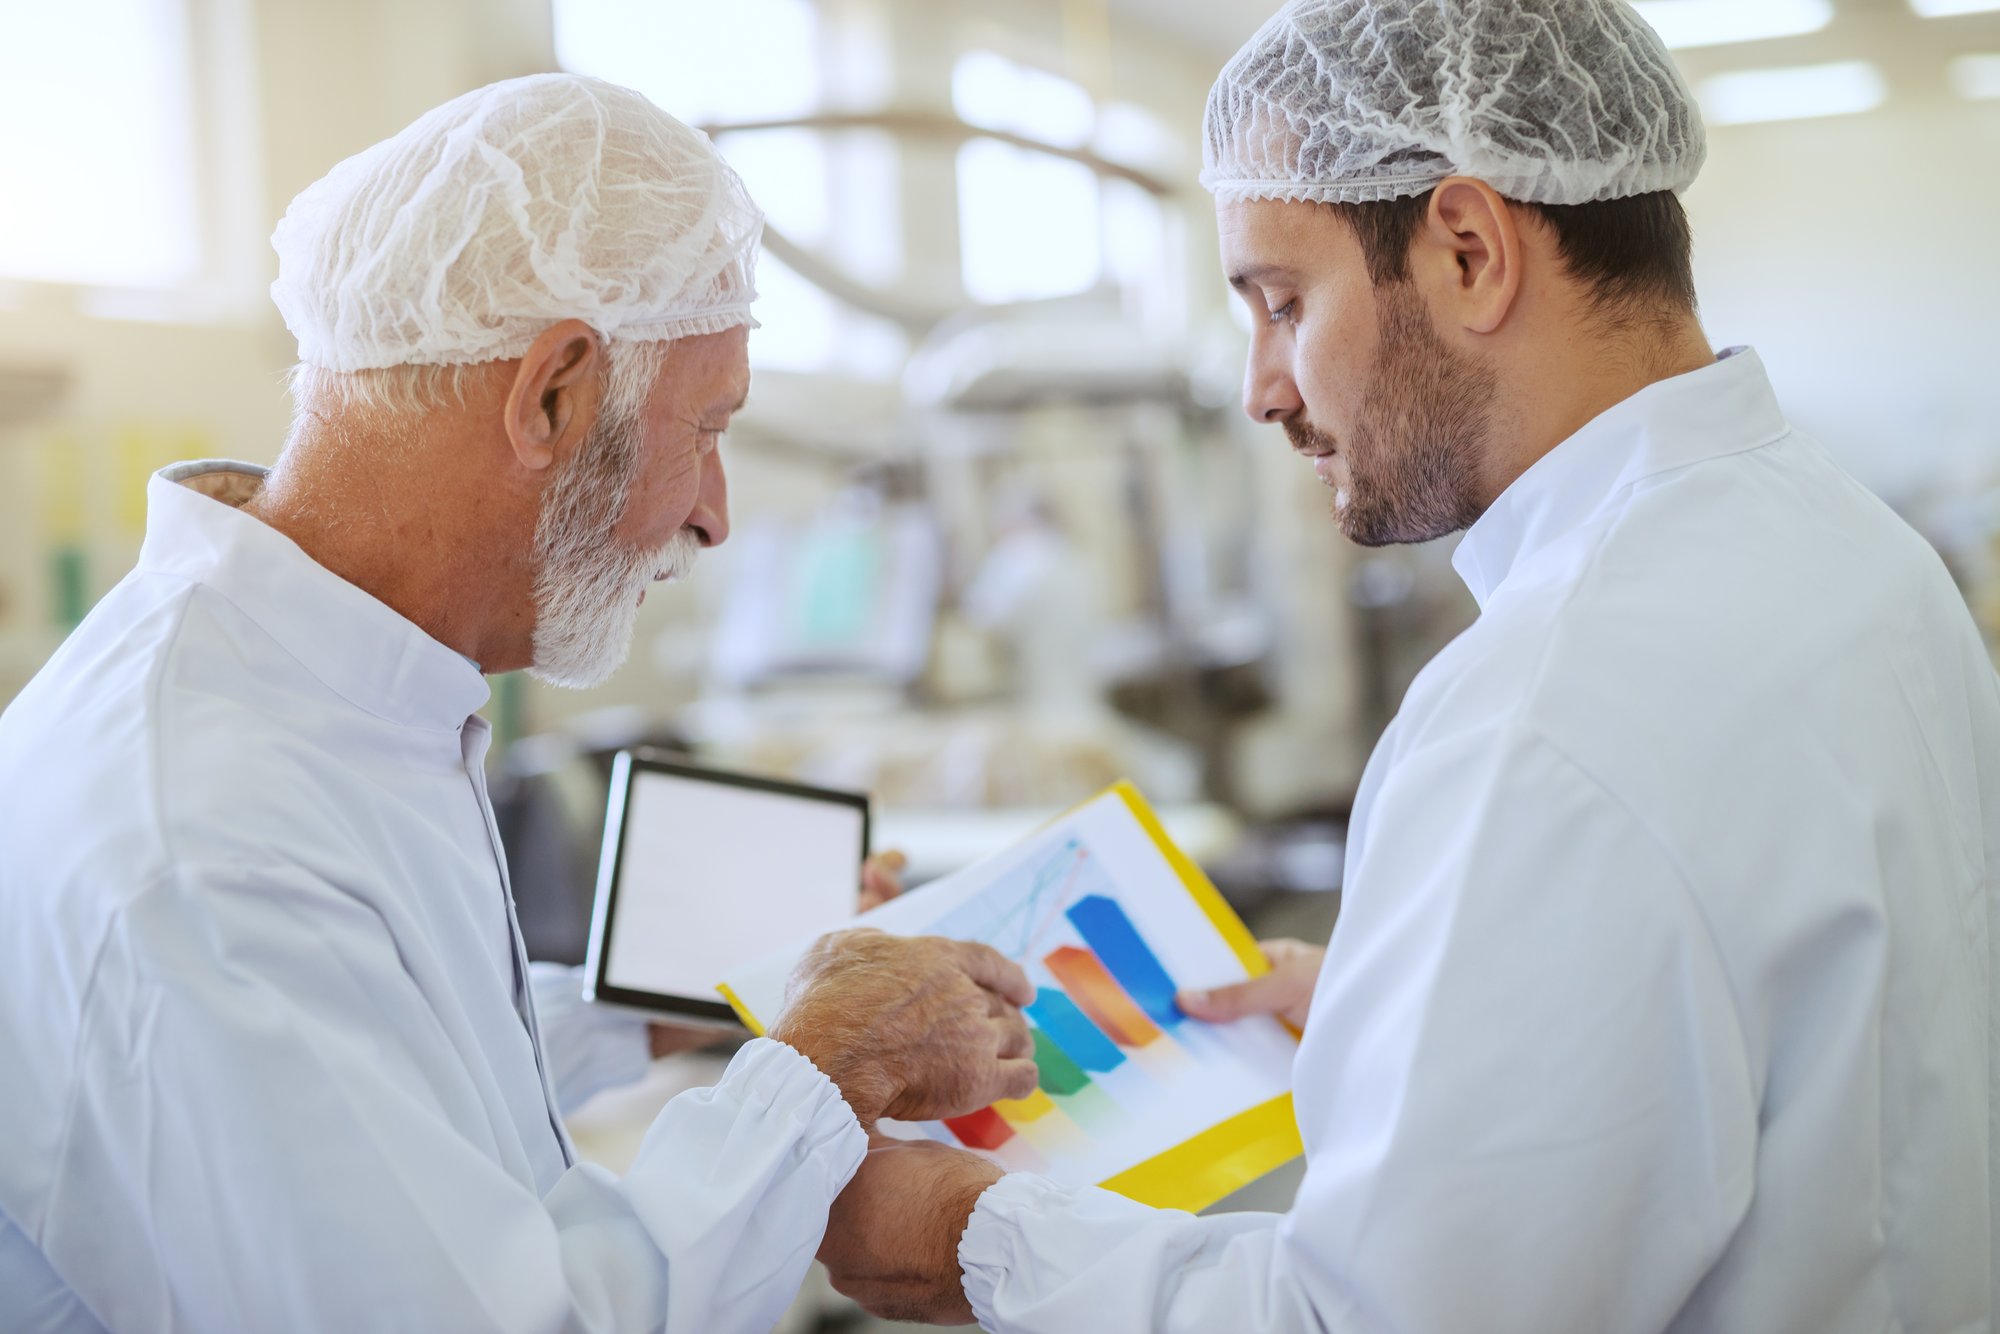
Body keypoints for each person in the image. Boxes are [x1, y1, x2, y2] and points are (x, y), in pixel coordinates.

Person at [816, 2, 2000, 1330]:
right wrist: (1435, 1017)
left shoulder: (1542, 718)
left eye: (1282, 301)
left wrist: (968, 1234)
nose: (1263, 386)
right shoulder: (1866, 559)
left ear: (1470, 251)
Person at [0, 74, 1040, 1333]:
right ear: (553, 392)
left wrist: (653, 1006)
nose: (715, 510)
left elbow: (381, 1089)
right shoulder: (205, 837)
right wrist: (824, 1062)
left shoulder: (307, 690)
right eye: (704, 429)